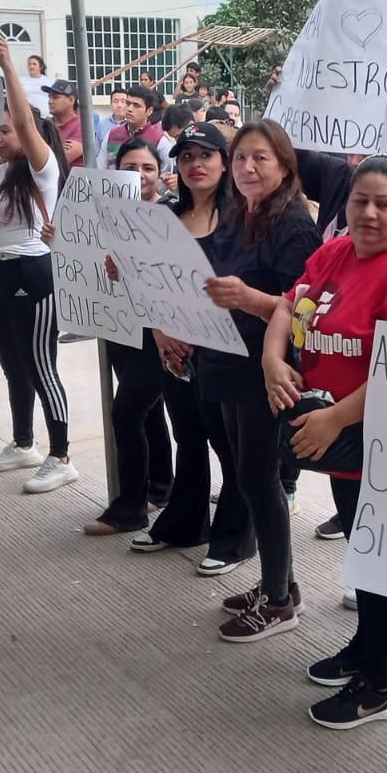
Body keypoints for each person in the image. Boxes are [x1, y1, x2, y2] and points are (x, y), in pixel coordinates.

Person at [255, 156, 387, 710]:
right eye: (359, 201)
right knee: (361, 548)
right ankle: (367, 646)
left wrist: (335, 418)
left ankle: (379, 685)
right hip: (343, 442)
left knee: (383, 562)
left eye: (385, 204)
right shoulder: (336, 250)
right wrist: (273, 361)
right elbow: (289, 304)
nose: (369, 214)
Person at [198, 119, 321, 630]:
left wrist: (250, 299)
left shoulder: (295, 226)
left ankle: (278, 601)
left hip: (264, 369)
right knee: (245, 475)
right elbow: (201, 265)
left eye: (261, 158)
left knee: (258, 477)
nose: (248, 167)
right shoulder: (236, 212)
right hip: (226, 358)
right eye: (242, 157)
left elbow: (307, 308)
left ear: (285, 165)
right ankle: (279, 579)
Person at [134, 123, 253, 564]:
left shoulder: (243, 221)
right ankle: (184, 524)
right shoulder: (164, 218)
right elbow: (146, 284)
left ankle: (235, 539)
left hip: (227, 354)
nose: (195, 165)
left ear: (224, 162)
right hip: (176, 353)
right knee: (188, 436)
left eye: (205, 155)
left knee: (229, 446)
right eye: (186, 157)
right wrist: (160, 332)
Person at [0, 32, 74, 490]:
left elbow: (26, 127)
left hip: (33, 278)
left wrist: (9, 67)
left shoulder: (42, 167)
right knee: (14, 367)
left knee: (40, 367)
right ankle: (23, 443)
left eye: (5, 129)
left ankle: (61, 455)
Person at [82, 137, 177, 535]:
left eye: (148, 168)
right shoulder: (104, 214)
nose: (139, 175)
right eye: (131, 167)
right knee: (149, 411)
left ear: (160, 174)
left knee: (127, 412)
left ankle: (130, 507)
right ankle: (160, 486)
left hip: (159, 334)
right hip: (120, 328)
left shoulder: (171, 215)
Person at [44, 79, 87, 167]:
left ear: (71, 100)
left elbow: (61, 160)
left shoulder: (82, 125)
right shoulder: (46, 124)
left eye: (55, 97)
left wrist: (46, 149)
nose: (50, 101)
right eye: (49, 97)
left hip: (73, 179)